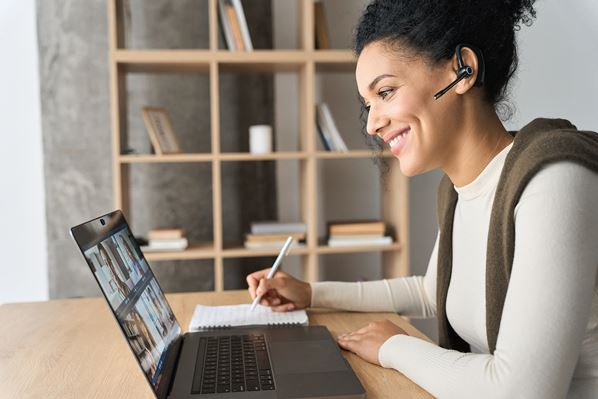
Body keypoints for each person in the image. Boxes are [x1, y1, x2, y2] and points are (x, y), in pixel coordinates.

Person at [246, 1, 598, 397]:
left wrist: (394, 346)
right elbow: (433, 291)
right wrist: (312, 293)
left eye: (386, 92)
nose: (373, 122)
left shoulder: (553, 178)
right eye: (369, 105)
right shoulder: (455, 190)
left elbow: (521, 391)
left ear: (462, 69)